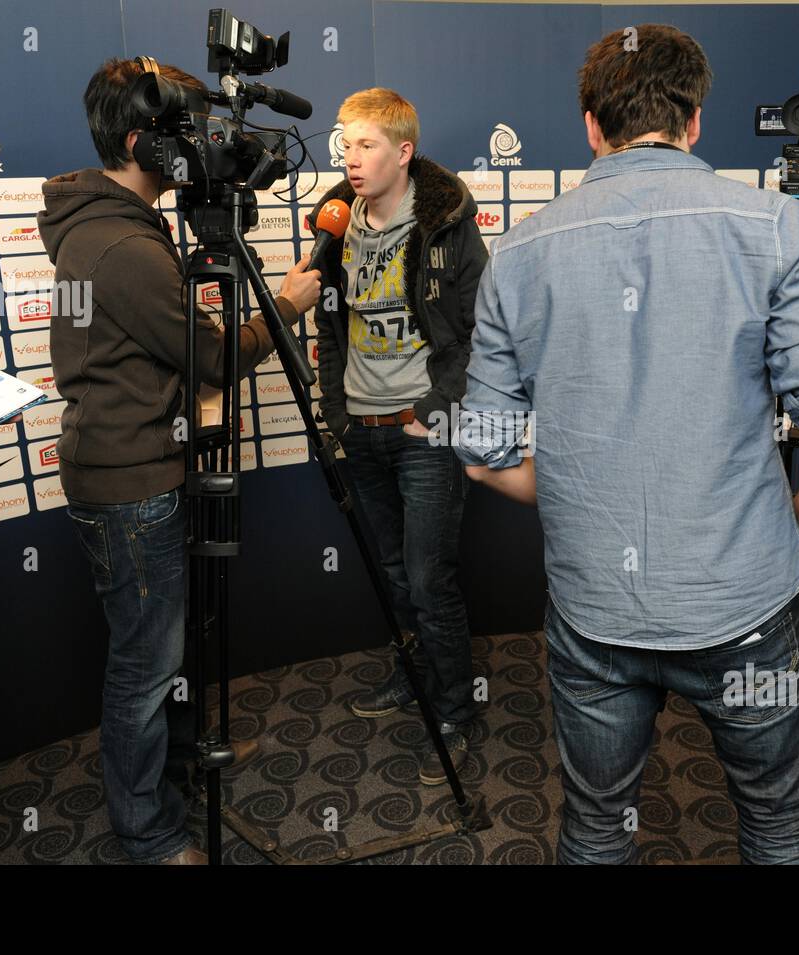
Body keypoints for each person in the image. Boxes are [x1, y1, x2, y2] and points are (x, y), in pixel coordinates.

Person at [456, 26, 799, 863]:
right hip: (748, 601)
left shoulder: (519, 253)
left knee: (593, 825)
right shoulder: (774, 226)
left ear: (590, 125)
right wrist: (798, 523)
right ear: (694, 120)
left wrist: (585, 494)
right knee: (781, 824)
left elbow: (482, 454)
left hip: (593, 612)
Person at [38, 59, 321, 864]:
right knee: (145, 666)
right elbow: (213, 357)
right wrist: (291, 304)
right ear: (140, 146)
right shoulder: (120, 243)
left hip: (135, 470)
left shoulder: (116, 226)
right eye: (185, 133)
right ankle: (151, 834)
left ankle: (171, 781)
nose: (204, 146)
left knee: (160, 653)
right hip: (132, 489)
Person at [307, 89, 488, 785]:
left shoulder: (445, 223)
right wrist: (337, 410)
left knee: (426, 575)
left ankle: (454, 710)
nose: (351, 159)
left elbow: (479, 329)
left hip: (425, 434)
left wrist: (435, 407)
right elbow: (328, 325)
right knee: (390, 572)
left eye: (367, 145)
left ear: (403, 152)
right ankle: (414, 676)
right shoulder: (333, 225)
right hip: (363, 429)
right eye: (345, 145)